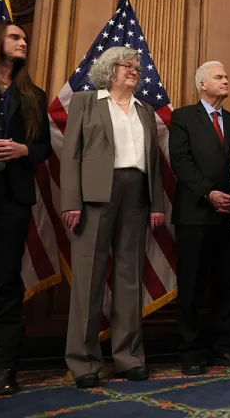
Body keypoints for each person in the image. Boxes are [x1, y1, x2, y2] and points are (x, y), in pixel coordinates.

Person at [60, 47, 165, 389]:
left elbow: (154, 161)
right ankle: (83, 361)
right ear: (109, 70)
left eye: (136, 67)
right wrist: (71, 201)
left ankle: (128, 357)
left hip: (136, 194)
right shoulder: (86, 102)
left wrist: (156, 204)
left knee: (129, 277)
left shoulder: (145, 110)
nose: (134, 71)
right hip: (93, 197)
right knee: (89, 278)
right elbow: (70, 154)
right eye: (127, 66)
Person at [0, 22, 51, 395]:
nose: (24, 42)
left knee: (7, 279)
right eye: (15, 37)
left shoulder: (32, 94)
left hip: (13, 193)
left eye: (25, 38)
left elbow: (44, 148)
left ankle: (4, 369)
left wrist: (24, 150)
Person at [169, 61, 230, 375]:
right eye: (220, 76)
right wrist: (209, 193)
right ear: (203, 84)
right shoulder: (184, 117)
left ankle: (223, 348)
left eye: (227, 76)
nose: (226, 80)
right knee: (191, 285)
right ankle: (190, 352)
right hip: (195, 214)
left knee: (228, 283)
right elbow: (181, 161)